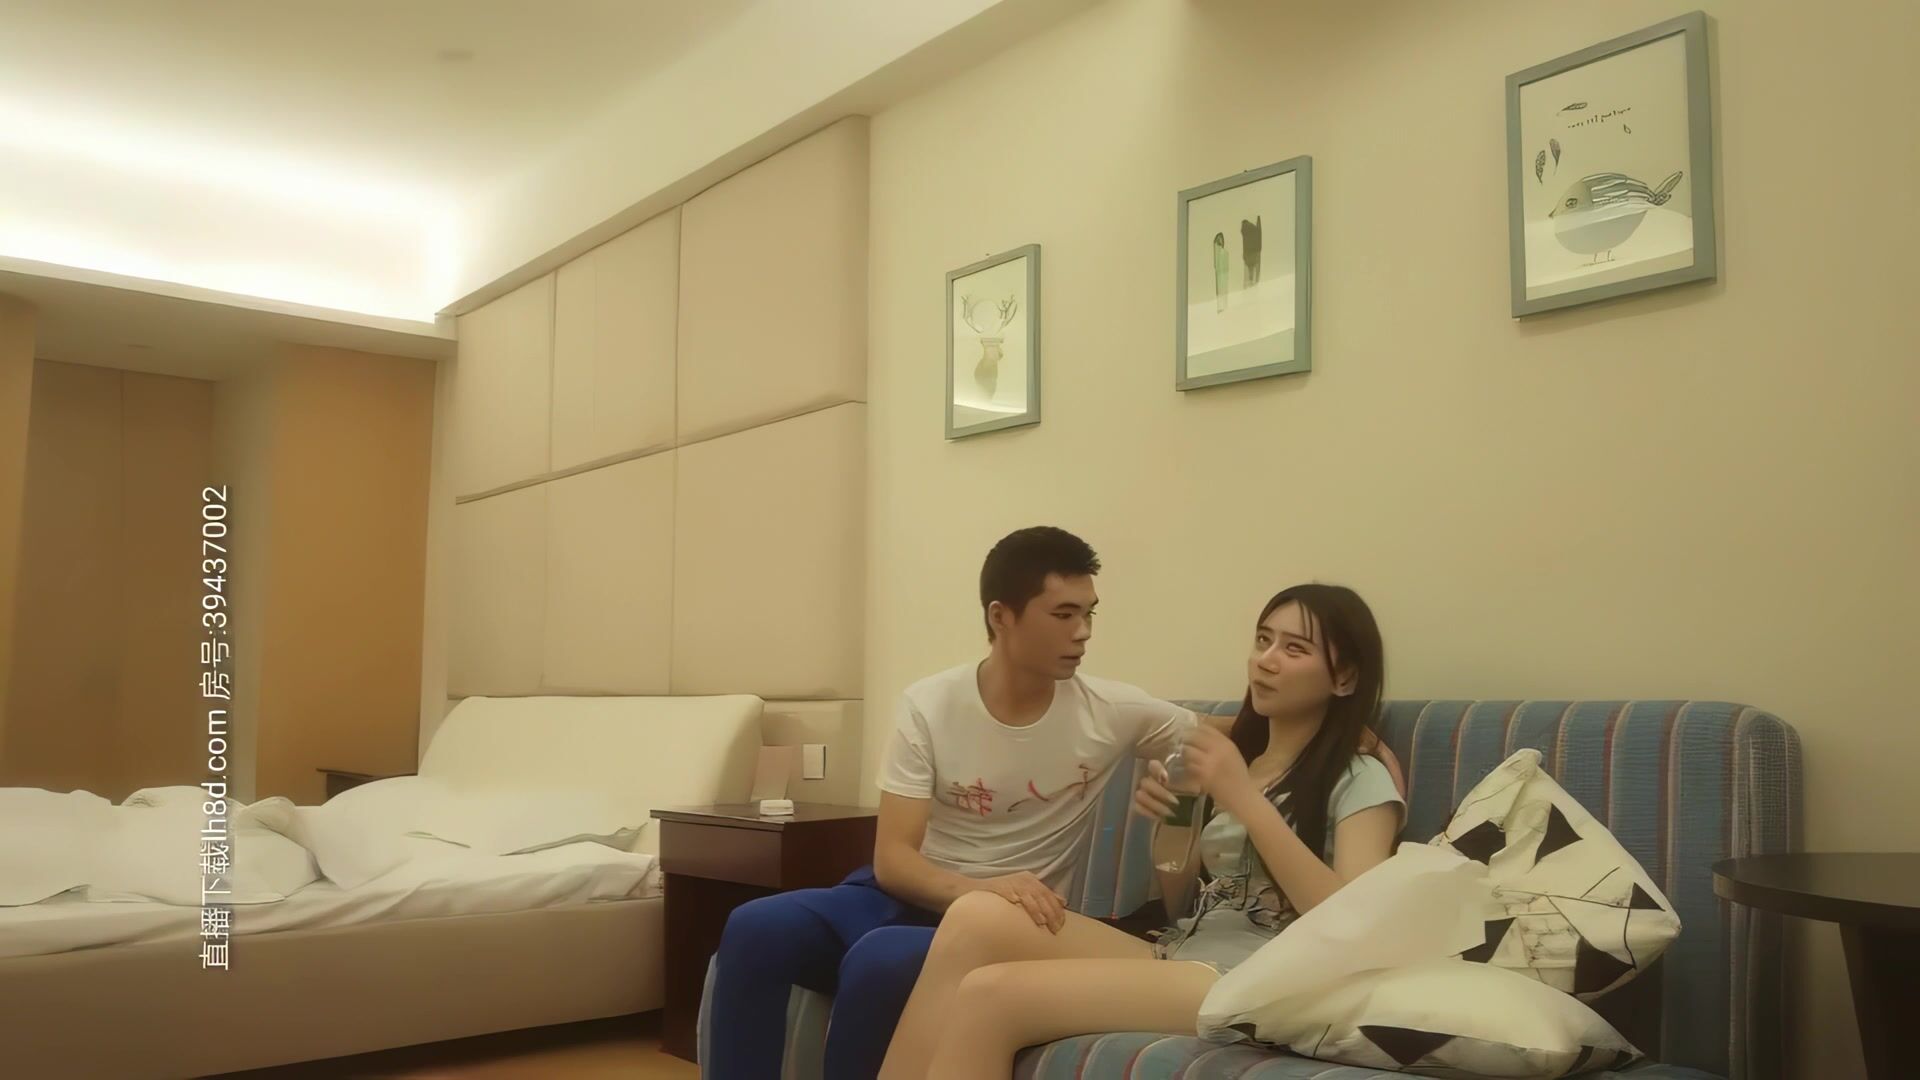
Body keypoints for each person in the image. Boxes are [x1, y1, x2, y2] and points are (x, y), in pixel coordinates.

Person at [704, 526, 1198, 1079]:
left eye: (1089, 614)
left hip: (1003, 926)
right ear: (1000, 616)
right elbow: (895, 860)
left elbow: (1230, 742)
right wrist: (981, 888)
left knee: (879, 961)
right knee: (754, 926)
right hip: (909, 894)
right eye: (1063, 614)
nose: (1082, 632)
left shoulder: (1112, 711)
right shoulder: (931, 705)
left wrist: (1178, 773)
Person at [877, 584, 1406, 1080]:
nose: (1266, 660)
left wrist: (1243, 798)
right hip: (1185, 951)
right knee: (978, 914)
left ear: (1344, 678)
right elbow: (1180, 906)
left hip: (1260, 978)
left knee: (992, 995)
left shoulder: (1360, 778)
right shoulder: (1243, 764)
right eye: (1263, 640)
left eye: (1294, 649)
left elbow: (1358, 925)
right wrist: (1176, 815)